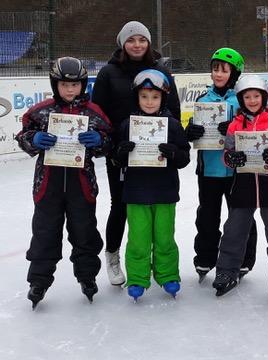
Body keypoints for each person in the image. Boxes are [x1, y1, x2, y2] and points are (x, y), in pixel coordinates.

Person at [15, 57, 112, 308]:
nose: (70, 90)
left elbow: (108, 140)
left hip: (82, 184)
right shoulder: (41, 111)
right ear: (55, 84)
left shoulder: (94, 112)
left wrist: (99, 141)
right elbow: (23, 135)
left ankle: (87, 276)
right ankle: (39, 280)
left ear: (83, 85)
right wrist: (33, 139)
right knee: (45, 232)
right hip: (48, 184)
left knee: (85, 231)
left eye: (76, 85)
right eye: (64, 85)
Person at [92, 20, 181, 286]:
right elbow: (98, 114)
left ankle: (161, 267)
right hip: (121, 152)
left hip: (155, 153)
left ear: (149, 43)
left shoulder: (161, 70)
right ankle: (113, 255)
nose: (137, 44)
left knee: (157, 210)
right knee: (120, 204)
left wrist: (170, 143)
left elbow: (173, 110)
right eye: (131, 40)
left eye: (142, 39)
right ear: (122, 43)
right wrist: (112, 147)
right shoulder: (109, 73)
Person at [211, 74, 268, 298]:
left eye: (256, 96)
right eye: (247, 96)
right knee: (234, 231)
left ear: (264, 97)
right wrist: (231, 158)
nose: (252, 100)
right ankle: (227, 271)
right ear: (241, 99)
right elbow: (227, 153)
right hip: (243, 184)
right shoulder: (235, 125)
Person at [114, 69, 190, 301]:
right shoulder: (128, 124)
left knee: (165, 237)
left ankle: (168, 275)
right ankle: (137, 278)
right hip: (136, 193)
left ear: (163, 98)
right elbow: (115, 158)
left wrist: (174, 153)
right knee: (138, 239)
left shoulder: (173, 125)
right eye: (144, 96)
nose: (149, 102)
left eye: (155, 97)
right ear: (137, 97)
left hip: (165, 192)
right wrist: (121, 152)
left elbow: (185, 158)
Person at [184, 47, 257, 283]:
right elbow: (195, 128)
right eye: (215, 69)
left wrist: (235, 130)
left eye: (224, 70)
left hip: (237, 170)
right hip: (210, 170)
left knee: (241, 216)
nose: (218, 74)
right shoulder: (203, 99)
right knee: (207, 216)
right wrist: (191, 131)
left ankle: (245, 258)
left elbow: (255, 129)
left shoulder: (242, 99)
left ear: (235, 73)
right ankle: (205, 257)